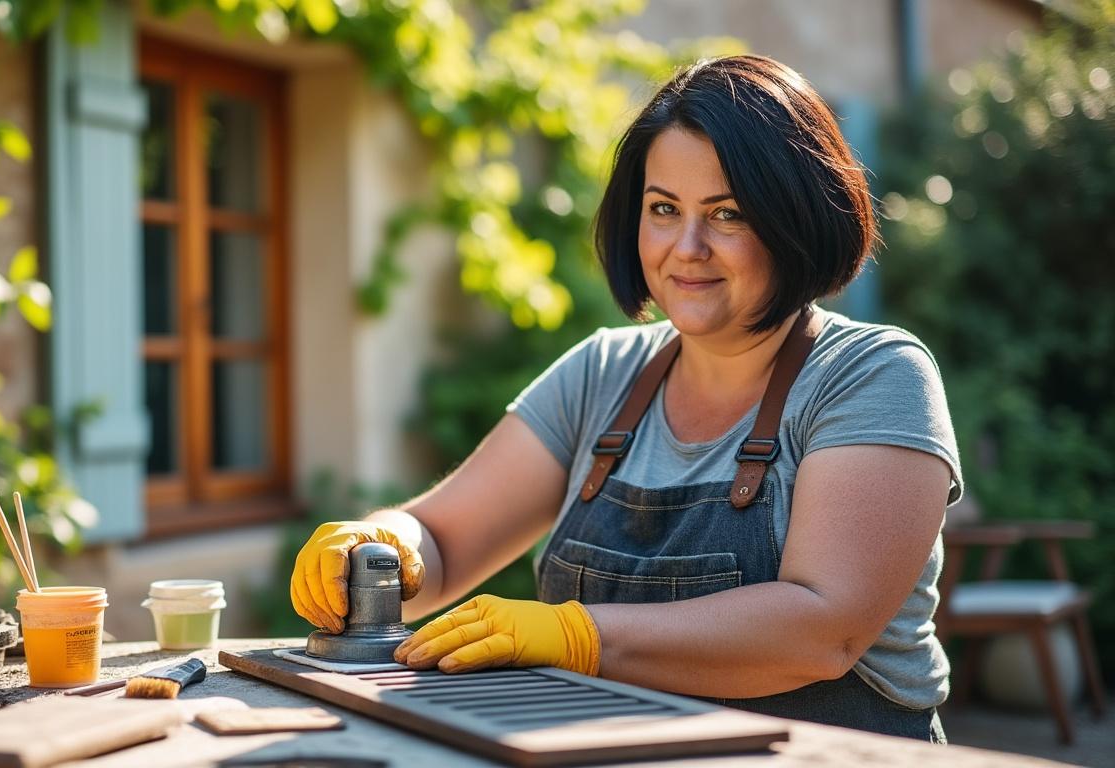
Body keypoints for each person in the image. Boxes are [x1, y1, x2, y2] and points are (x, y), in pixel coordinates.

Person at [290, 54, 961, 742]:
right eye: (663, 209)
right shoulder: (603, 373)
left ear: (796, 220)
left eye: (727, 214)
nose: (687, 248)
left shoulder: (874, 375)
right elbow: (445, 543)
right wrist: (382, 544)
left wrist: (578, 636)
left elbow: (822, 632)